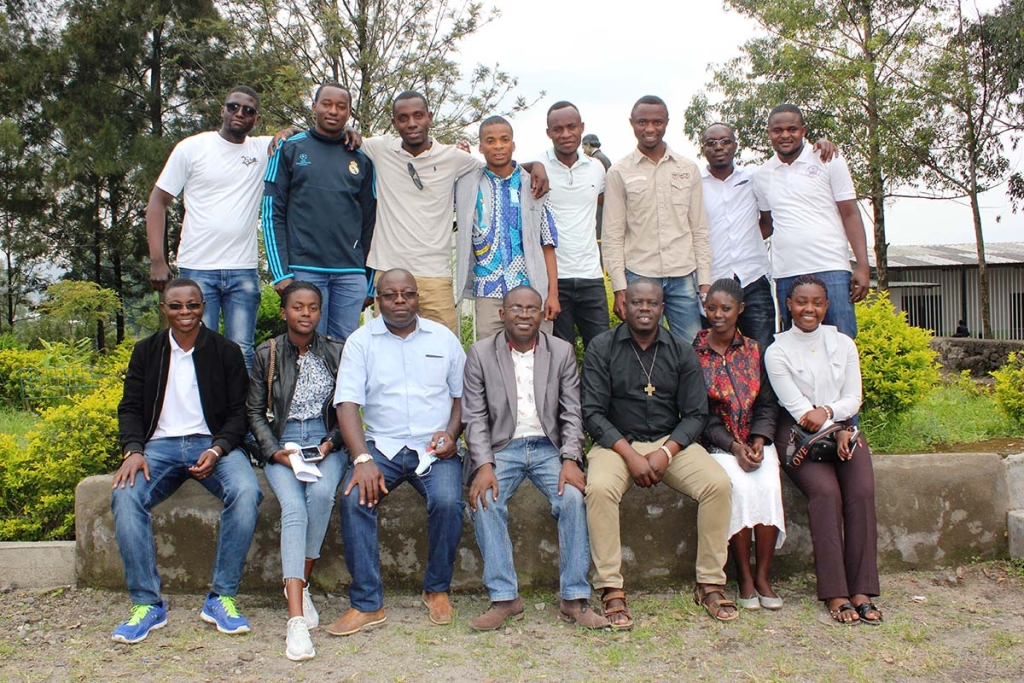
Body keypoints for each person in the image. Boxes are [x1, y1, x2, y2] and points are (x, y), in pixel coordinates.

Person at [110, 278, 262, 644]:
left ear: (202, 306)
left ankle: (221, 596)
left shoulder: (224, 351)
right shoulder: (146, 351)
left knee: (246, 490)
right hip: (158, 448)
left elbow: (239, 414)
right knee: (125, 495)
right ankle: (148, 604)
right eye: (176, 306)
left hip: (211, 444)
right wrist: (133, 450)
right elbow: (130, 407)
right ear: (164, 308)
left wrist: (218, 449)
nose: (185, 313)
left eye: (192, 305)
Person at [582, 278, 735, 629]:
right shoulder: (602, 348)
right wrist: (631, 456)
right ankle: (611, 587)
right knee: (600, 489)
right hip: (616, 444)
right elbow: (592, 412)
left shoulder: (681, 350)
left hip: (670, 443)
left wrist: (666, 451)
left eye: (652, 303)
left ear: (663, 308)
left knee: (718, 485)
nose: (645, 308)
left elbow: (696, 414)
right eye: (637, 302)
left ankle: (710, 582)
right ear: (624, 306)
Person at [328, 268, 467, 636]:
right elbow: (347, 405)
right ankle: (367, 604)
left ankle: (436, 589)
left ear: (418, 297)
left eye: (408, 294)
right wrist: (362, 459)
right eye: (390, 295)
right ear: (377, 299)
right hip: (382, 445)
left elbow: (462, 397)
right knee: (355, 497)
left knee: (450, 501)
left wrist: (452, 434)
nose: (400, 301)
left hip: (433, 448)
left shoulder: (443, 338)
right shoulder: (360, 342)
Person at [462, 286, 608, 630]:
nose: (524, 315)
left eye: (532, 309)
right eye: (516, 308)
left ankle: (573, 598)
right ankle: (504, 597)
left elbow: (573, 413)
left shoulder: (561, 352)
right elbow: (474, 416)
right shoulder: (481, 353)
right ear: (502, 314)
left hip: (549, 447)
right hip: (502, 448)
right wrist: (484, 465)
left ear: (543, 314)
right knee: (485, 500)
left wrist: (571, 458)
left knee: (573, 497)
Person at [355, 91, 549, 334]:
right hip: (390, 270)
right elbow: (345, 137)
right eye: (403, 118)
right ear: (394, 123)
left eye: (418, 115)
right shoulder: (380, 148)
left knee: (444, 348)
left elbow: (497, 165)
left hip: (435, 273)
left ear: (430, 117)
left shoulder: (454, 158)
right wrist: (290, 135)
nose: (412, 123)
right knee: (388, 346)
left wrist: (535, 166)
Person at [764, 274, 883, 625]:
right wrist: (826, 421)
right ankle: (835, 592)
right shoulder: (777, 350)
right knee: (826, 493)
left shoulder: (844, 344)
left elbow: (853, 397)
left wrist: (832, 416)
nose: (809, 309)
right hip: (798, 436)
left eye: (817, 302)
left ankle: (862, 590)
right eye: (802, 302)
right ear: (789, 304)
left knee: (861, 492)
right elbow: (799, 409)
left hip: (843, 426)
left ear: (827, 306)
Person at [246, 281, 347, 661]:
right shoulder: (266, 352)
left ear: (320, 312)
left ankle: (299, 584)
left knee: (321, 496)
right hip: (283, 443)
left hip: (324, 442)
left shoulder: (336, 351)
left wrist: (331, 443)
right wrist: (275, 452)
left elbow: (348, 407)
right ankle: (296, 621)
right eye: (298, 307)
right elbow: (254, 412)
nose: (306, 314)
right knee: (294, 508)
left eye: (313, 308)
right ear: (285, 312)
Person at [146, 86, 272, 369]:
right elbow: (157, 201)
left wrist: (351, 135)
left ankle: (239, 414)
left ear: (256, 119)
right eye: (233, 107)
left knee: (242, 352)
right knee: (199, 348)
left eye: (248, 110)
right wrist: (157, 259)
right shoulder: (192, 148)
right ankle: (202, 414)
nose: (239, 113)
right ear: (222, 110)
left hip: (243, 270)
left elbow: (301, 136)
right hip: (198, 267)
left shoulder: (262, 149)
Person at [692, 279, 785, 611]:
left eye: (726, 309)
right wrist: (734, 447)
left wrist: (759, 441)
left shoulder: (755, 350)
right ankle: (744, 576)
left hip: (756, 441)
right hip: (718, 445)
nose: (718, 315)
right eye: (712, 308)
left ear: (740, 310)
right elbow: (698, 413)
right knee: (741, 490)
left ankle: (763, 576)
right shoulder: (694, 353)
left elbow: (767, 403)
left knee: (769, 485)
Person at [263, 83, 376, 342]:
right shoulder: (291, 149)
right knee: (307, 349)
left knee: (345, 351)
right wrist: (280, 273)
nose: (333, 111)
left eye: (341, 106)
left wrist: (368, 280)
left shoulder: (361, 158)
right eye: (326, 104)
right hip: (304, 269)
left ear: (349, 113)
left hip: (349, 274)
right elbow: (272, 212)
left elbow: (371, 221)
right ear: (314, 106)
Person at [755, 104, 871, 339]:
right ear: (769, 133)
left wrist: (863, 265)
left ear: (803, 130)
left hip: (831, 268)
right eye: (777, 130)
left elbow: (850, 213)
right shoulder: (762, 175)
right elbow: (767, 223)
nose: (785, 135)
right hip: (788, 272)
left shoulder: (828, 159)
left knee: (841, 343)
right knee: (796, 349)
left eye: (792, 129)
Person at [603, 96, 712, 344]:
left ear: (666, 123)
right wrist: (620, 287)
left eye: (657, 122)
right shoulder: (619, 172)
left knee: (692, 349)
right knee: (642, 350)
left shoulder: (687, 168)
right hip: (639, 275)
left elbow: (699, 229)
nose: (650, 129)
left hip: (683, 275)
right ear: (632, 123)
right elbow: (612, 234)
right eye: (643, 122)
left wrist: (704, 282)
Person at [455, 116, 559, 339]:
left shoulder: (534, 183)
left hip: (531, 289)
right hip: (488, 291)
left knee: (538, 356)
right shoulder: (467, 185)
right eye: (490, 141)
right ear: (481, 147)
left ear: (513, 144)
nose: (498, 146)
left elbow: (547, 243)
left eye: (504, 139)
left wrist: (553, 294)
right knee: (490, 357)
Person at [540, 102, 610, 350]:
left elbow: (609, 204)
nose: (566, 134)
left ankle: (596, 392)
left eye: (571, 127)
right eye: (557, 129)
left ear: (582, 128)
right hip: (554, 279)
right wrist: (532, 166)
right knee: (560, 354)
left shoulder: (597, 169)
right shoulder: (538, 167)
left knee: (601, 352)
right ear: (548, 132)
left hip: (591, 275)